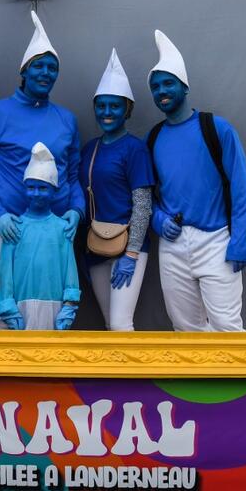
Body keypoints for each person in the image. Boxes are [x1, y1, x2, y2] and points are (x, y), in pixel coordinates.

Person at [0, 11, 85, 329]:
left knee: (52, 310)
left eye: (52, 68)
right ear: (24, 69)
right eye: (39, 65)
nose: (45, 73)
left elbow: (72, 175)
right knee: (5, 311)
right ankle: (8, 379)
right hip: (3, 229)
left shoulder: (66, 119)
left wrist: (76, 210)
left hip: (52, 232)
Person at [147, 30, 246, 332]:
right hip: (173, 245)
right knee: (185, 328)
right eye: (155, 87)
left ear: (184, 86)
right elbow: (147, 195)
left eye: (168, 83)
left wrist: (241, 242)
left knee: (227, 327)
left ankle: (239, 380)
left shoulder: (215, 128)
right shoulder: (153, 138)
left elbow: (242, 188)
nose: (161, 91)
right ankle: (200, 381)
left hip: (217, 241)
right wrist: (158, 220)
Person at [80, 49, 154, 331]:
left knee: (122, 324)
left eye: (114, 106)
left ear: (127, 110)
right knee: (110, 326)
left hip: (127, 247)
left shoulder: (135, 149)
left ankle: (134, 377)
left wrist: (132, 254)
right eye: (101, 106)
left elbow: (143, 204)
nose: (107, 112)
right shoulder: (90, 148)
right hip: (95, 246)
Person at [0, 143, 81, 330]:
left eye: (43, 188)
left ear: (54, 190)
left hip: (55, 309)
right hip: (20, 308)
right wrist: (8, 306)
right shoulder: (15, 226)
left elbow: (70, 270)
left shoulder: (62, 228)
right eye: (31, 187)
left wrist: (69, 306)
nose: (36, 193)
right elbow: (5, 271)